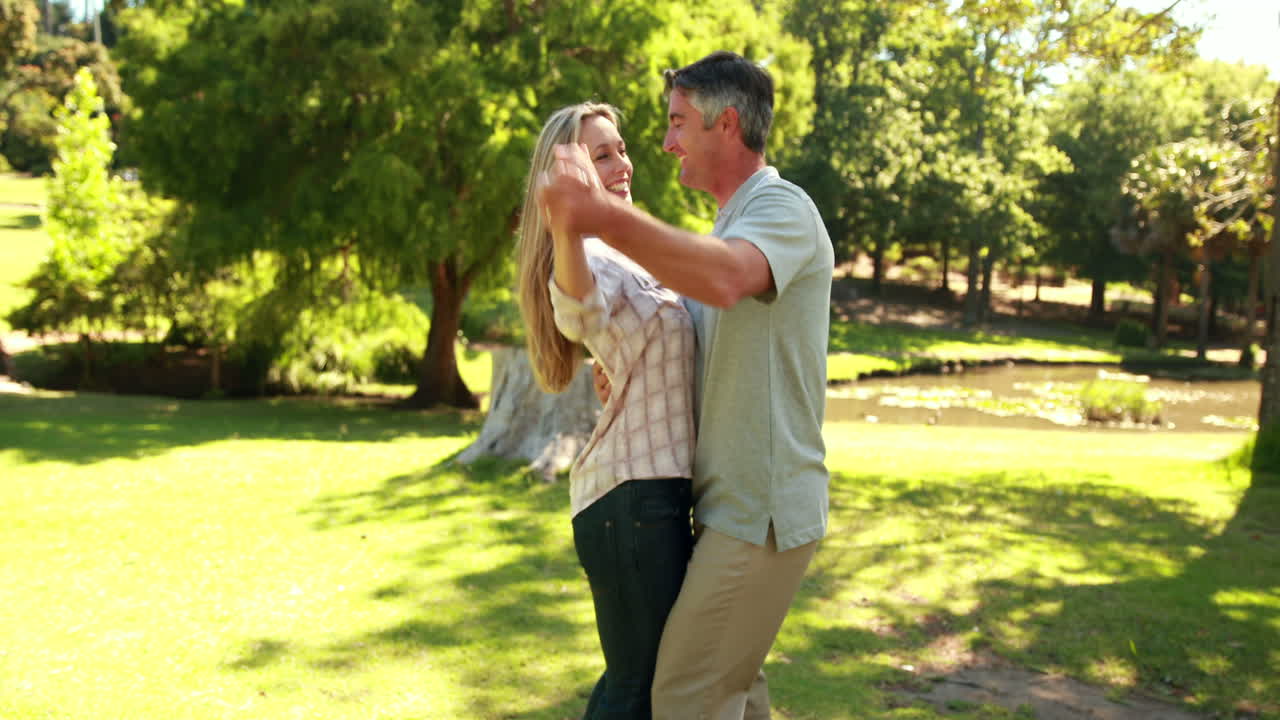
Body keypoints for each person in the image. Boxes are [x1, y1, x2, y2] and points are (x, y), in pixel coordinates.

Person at [537, 51, 834, 720]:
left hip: (762, 510)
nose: (664, 142)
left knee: (686, 696)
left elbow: (727, 278)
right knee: (735, 695)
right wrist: (630, 367)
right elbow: (693, 325)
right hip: (727, 507)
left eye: (676, 123)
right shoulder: (729, 224)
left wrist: (597, 216)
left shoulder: (782, 208)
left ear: (724, 124)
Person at [515, 101, 697, 719]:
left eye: (620, 148)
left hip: (647, 498)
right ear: (571, 176)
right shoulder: (590, 252)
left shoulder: (624, 252)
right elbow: (579, 311)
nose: (622, 162)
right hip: (632, 501)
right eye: (601, 154)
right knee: (637, 689)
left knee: (641, 685)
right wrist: (567, 227)